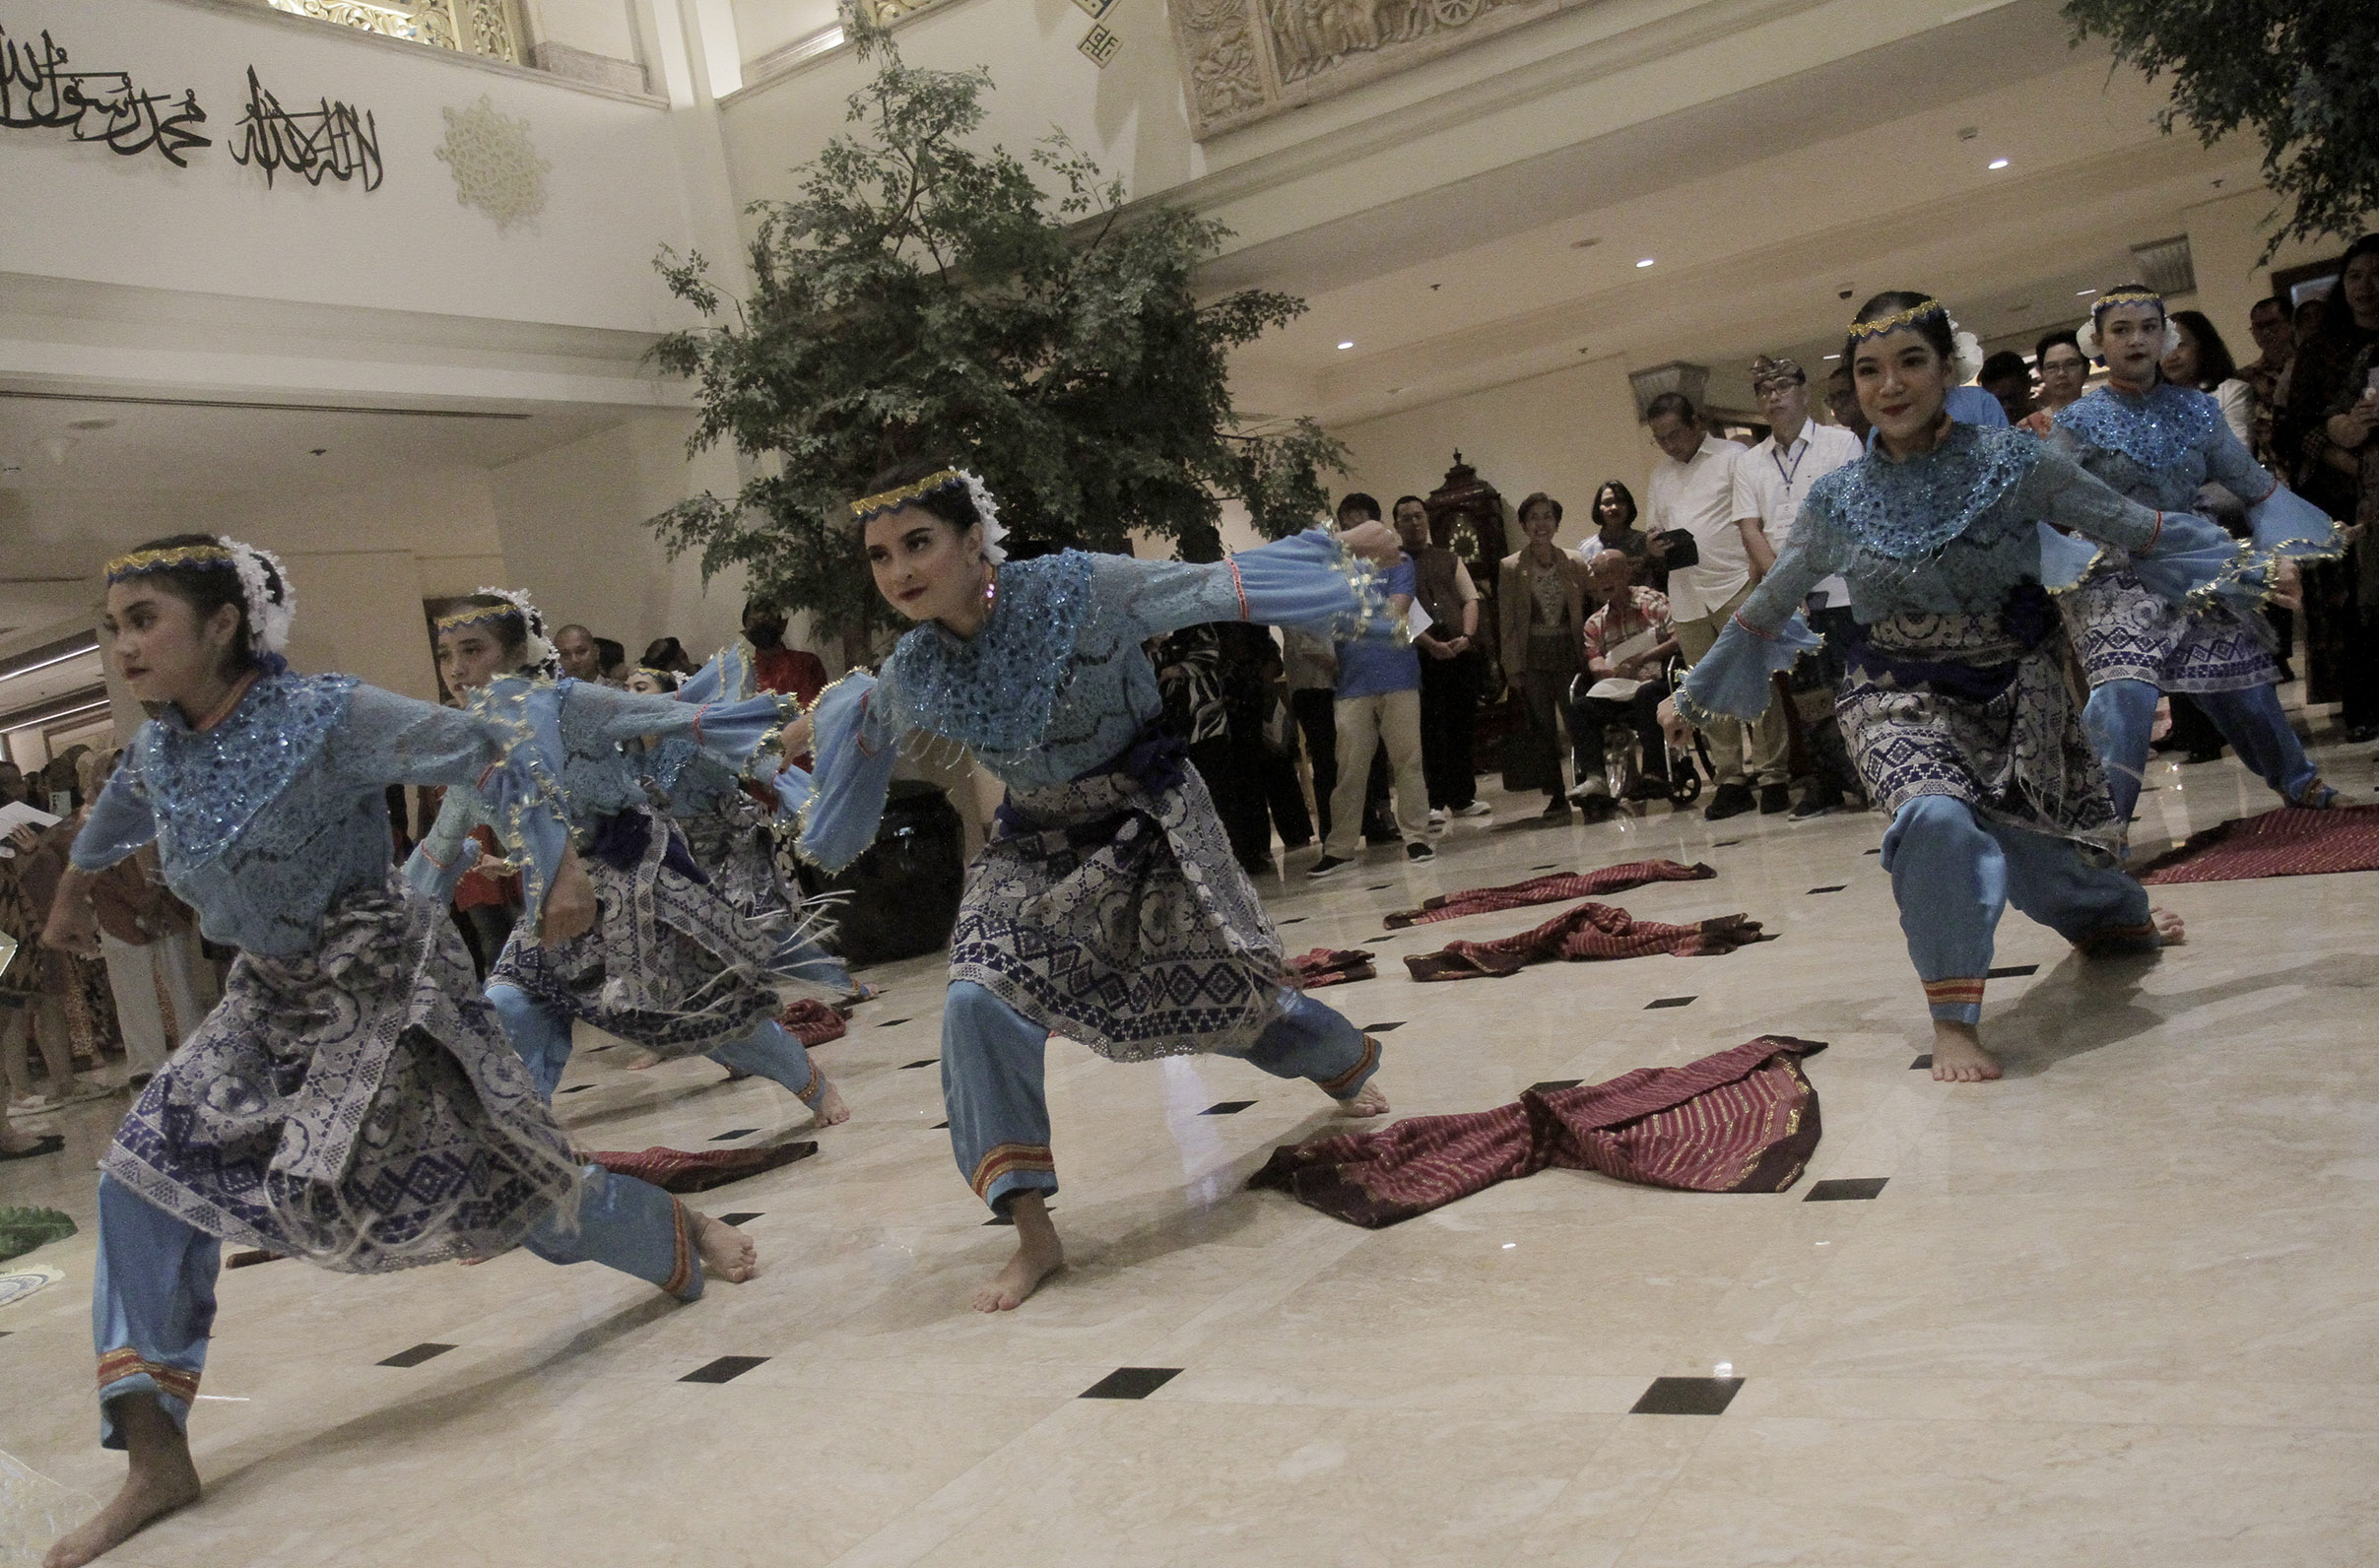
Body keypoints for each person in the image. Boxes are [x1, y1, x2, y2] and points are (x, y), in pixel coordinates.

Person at [37, 535, 760, 1568]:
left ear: (226, 622)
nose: (123, 645)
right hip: (269, 998)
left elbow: (487, 749)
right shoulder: (159, 749)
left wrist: (558, 868)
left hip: (387, 984)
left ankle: (674, 1236)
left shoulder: (328, 715)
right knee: (137, 1179)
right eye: (113, 626)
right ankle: (155, 1456)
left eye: (143, 618)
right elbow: (116, 812)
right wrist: (71, 889)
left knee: (517, 1197)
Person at [778, 460, 1397, 1312]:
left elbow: (1208, 587)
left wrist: (1335, 553)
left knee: (1232, 1006)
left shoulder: (1078, 586)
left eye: (917, 544)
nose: (900, 573)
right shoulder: (918, 664)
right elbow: (865, 712)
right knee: (975, 1006)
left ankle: (1342, 1062)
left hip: (1149, 822)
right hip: (1032, 847)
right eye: (880, 557)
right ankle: (1034, 1235)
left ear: (970, 539)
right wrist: (782, 738)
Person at [1660, 292, 2250, 1084]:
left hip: (2016, 695)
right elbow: (1769, 604)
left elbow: (2129, 526)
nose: (1890, 386)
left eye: (1909, 362)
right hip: (1890, 695)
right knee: (1932, 822)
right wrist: (1691, 694)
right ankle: (1953, 1021)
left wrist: (2249, 565)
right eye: (1869, 370)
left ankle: (2123, 917)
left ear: (1946, 369)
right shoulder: (1838, 498)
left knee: (2056, 875)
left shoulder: (2014, 462)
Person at [410, 594, 849, 1122]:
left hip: (635, 888)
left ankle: (809, 1082)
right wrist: (397, 921)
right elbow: (438, 846)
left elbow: (674, 715)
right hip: (552, 901)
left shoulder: (573, 704)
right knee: (509, 1005)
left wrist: (778, 735)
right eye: (445, 655)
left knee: (701, 1013)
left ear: (513, 654)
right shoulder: (465, 746)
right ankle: (531, 1133)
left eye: (471, 650)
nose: (456, 670)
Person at [2052, 283, 2338, 824]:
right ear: (2099, 342)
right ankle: (2102, 826)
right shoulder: (2076, 422)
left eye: (2148, 328)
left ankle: (2298, 781)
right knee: (2126, 695)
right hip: (2114, 570)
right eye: (2121, 329)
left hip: (2196, 561)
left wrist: (2284, 555)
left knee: (2247, 688)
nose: (2136, 340)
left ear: (2166, 337)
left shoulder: (2198, 412)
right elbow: (2050, 500)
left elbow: (2256, 486)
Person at [1731, 354, 1867, 817]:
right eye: (1764, 391)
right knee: (1807, 697)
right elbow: (1750, 528)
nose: (1774, 397)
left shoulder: (1841, 443)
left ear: (1804, 392)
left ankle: (1868, 776)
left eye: (1783, 387)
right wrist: (1784, 585)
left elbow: (1852, 513)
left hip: (1842, 586)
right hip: (1787, 597)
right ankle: (1826, 782)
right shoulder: (1749, 464)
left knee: (1854, 685)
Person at [1643, 391, 1784, 817]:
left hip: (1735, 583)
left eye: (1675, 434)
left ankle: (1773, 774)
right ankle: (1730, 778)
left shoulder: (1733, 456)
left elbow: (1754, 517)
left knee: (1757, 682)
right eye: (1660, 438)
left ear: (1696, 423)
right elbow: (1653, 530)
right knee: (1705, 689)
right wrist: (1654, 545)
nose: (1669, 444)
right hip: (1687, 594)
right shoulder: (1660, 476)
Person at [2279, 235, 2379, 742]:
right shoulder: (2322, 349)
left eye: (2376, 274)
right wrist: (2351, 461)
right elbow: (2296, 427)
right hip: (2344, 494)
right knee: (2355, 605)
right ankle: (2363, 708)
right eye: (2356, 275)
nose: (2366, 286)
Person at [1311, 492, 1433, 875]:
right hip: (1352, 681)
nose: (1355, 531)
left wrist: (1355, 616)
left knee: (1408, 761)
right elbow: (1324, 615)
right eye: (1348, 523)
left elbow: (1396, 612)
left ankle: (1416, 836)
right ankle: (1339, 847)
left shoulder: (1401, 563)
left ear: (1378, 529)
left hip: (1398, 676)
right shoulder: (1335, 571)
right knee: (1348, 767)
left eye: (1363, 523)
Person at [1396, 493, 1489, 827]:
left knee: (1461, 725)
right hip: (1420, 657)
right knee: (1429, 730)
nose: (1414, 522)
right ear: (1396, 525)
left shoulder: (1449, 558)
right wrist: (1430, 644)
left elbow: (1470, 598)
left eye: (1418, 515)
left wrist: (1466, 636)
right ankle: (1434, 801)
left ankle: (1464, 797)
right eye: (1406, 517)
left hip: (1459, 652)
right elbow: (1397, 613)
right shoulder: (1392, 564)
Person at [1497, 491, 1588, 817]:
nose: (1541, 523)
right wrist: (1512, 670)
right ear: (1523, 524)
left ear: (1557, 522)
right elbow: (1506, 622)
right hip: (1532, 658)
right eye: (1534, 517)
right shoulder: (1510, 567)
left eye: (1547, 516)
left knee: (1578, 723)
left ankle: (1589, 784)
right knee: (1543, 730)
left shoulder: (1575, 561)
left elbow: (1587, 610)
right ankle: (1557, 794)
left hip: (1569, 653)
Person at [1569, 552, 1680, 803]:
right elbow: (1594, 657)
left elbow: (1679, 637)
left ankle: (1654, 773)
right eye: (1598, 575)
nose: (1604, 580)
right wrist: (1603, 669)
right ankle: (1595, 779)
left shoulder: (1653, 602)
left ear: (1626, 573)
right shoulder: (1595, 622)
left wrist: (1643, 658)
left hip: (1656, 683)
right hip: (1618, 688)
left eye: (1610, 572)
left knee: (1646, 694)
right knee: (1580, 707)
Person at [2163, 309, 2253, 448]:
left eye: (2180, 345)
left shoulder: (2231, 392)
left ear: (2202, 346)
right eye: (2164, 347)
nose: (2171, 356)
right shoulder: (2150, 401)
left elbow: (2238, 455)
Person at [1573, 481, 1663, 595]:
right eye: (1608, 503)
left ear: (1629, 506)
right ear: (1598, 508)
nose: (1614, 507)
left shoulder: (1647, 543)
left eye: (1620, 502)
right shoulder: (1585, 549)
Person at [2239, 294, 2295, 468]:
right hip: (2273, 469)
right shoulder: (2245, 378)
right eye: (2258, 327)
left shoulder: (2310, 366)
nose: (2265, 332)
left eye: (2272, 324)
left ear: (2291, 323)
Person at [1977, 349, 2037, 425]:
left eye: (2013, 398)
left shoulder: (2051, 421)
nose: (2007, 407)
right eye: (1998, 401)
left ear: (2028, 384)